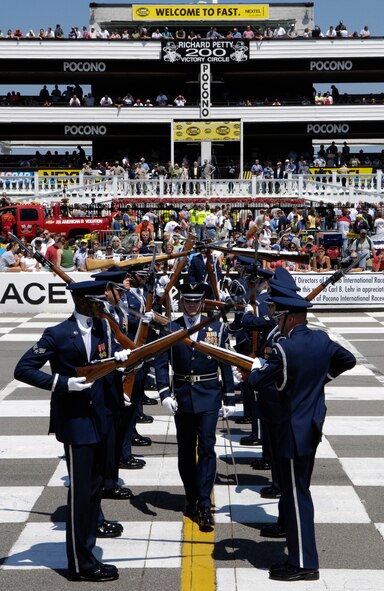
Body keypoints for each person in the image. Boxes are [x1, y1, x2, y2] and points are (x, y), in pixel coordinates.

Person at [14, 280, 132, 582]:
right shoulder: (58, 334)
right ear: (82, 302)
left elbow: (105, 359)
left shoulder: (101, 328)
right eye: (97, 302)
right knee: (81, 495)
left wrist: (117, 361)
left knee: (94, 491)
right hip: (77, 423)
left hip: (101, 418)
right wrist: (63, 383)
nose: (102, 305)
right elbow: (23, 369)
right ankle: (80, 566)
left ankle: (88, 553)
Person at [248, 290, 356, 581]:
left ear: (290, 318)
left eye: (278, 317)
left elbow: (257, 381)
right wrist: (322, 379)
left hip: (291, 431)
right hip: (311, 426)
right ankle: (299, 556)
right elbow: (348, 360)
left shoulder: (284, 349)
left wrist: (257, 366)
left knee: (297, 497)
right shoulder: (322, 340)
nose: (276, 321)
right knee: (297, 492)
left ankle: (304, 563)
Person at [154, 283, 235, 530]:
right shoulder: (171, 327)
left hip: (209, 395)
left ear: (202, 302)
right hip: (183, 396)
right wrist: (164, 392)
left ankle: (204, 503)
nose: (191, 306)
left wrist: (229, 396)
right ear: (182, 302)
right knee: (186, 450)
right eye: (187, 301)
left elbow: (226, 361)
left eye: (195, 301)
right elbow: (160, 362)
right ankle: (191, 496)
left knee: (208, 448)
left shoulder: (217, 327)